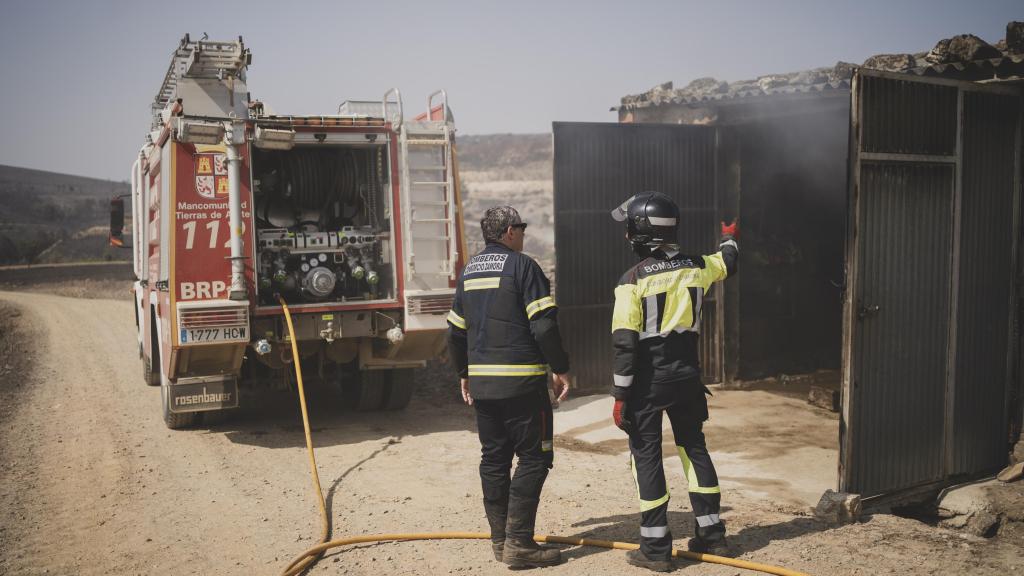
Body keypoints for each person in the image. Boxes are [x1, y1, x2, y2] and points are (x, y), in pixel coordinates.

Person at [608, 191, 738, 572]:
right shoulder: (700, 266)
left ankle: (656, 549)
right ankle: (713, 536)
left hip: (648, 384)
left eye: (630, 229)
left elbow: (624, 345)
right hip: (687, 378)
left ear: (643, 234)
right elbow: (728, 259)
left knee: (646, 456)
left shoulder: (631, 281)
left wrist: (620, 395)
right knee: (693, 448)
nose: (627, 235)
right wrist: (729, 235)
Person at [446, 205, 571, 568]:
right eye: (522, 227)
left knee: (494, 459)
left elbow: (454, 332)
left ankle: (501, 542)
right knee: (534, 457)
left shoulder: (468, 272)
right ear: (509, 232)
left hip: (484, 387)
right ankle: (519, 544)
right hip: (522, 385)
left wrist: (464, 373)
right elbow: (544, 326)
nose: (524, 233)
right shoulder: (523, 266)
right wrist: (560, 368)